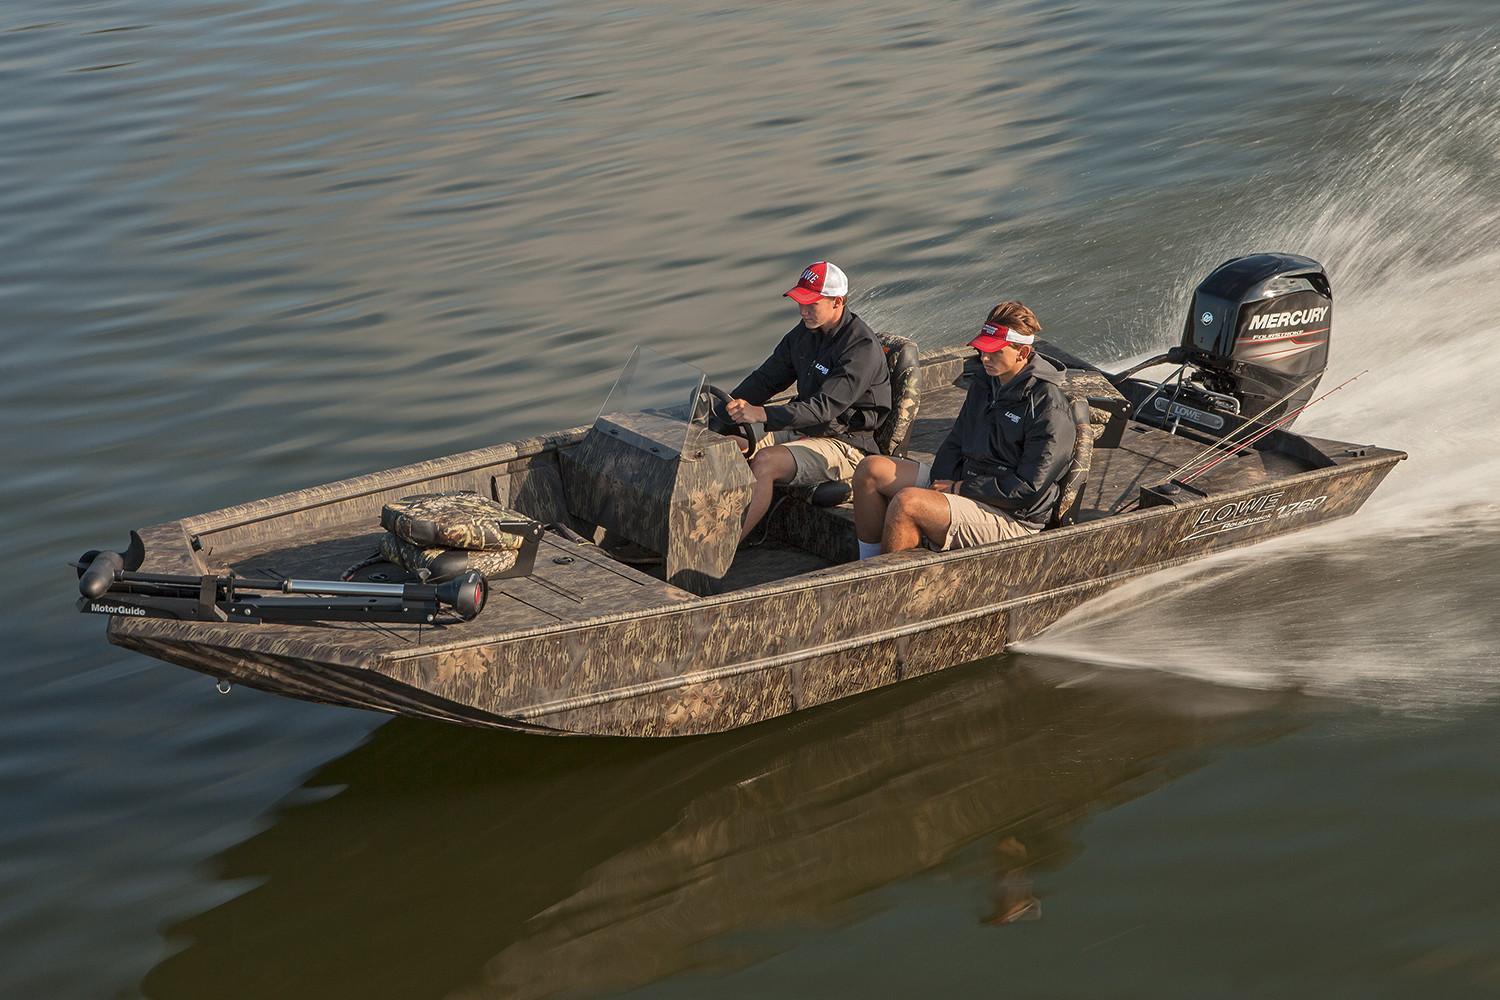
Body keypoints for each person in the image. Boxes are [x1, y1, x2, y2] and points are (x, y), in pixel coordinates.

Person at [851, 301, 1071, 557]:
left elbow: (1028, 488)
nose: (984, 357)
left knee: (907, 503)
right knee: (870, 470)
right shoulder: (985, 383)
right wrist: (942, 483)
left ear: (1021, 353)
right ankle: (867, 565)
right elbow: (956, 441)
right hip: (965, 483)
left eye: (994, 352)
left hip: (1012, 516)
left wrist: (960, 489)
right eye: (982, 350)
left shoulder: (1049, 407)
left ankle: (887, 588)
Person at [725, 261, 892, 543]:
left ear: (837, 302)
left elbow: (823, 409)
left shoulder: (861, 348)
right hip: (804, 429)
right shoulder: (804, 333)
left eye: (811, 303)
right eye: (800, 302)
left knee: (765, 462)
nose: (803, 311)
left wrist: (760, 414)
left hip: (846, 444)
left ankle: (725, 549)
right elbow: (765, 380)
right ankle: (698, 531)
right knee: (726, 449)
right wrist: (724, 408)